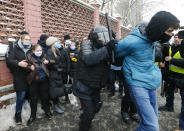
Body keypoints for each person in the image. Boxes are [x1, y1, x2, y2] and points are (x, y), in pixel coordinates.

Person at [114, 11, 180, 131]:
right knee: (152, 126)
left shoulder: (154, 39)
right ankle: (125, 112)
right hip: (136, 83)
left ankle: (134, 115)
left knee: (151, 121)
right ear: (159, 28)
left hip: (150, 81)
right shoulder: (132, 41)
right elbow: (116, 54)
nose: (170, 35)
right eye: (169, 31)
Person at [73, 26, 114, 131]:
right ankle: (83, 126)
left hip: (95, 85)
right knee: (89, 111)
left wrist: (115, 43)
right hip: (84, 86)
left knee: (97, 106)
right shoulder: (87, 44)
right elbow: (89, 59)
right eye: (101, 36)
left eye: (106, 36)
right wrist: (107, 49)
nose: (103, 39)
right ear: (94, 36)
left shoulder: (104, 47)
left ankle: (85, 119)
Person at [7, 34, 32, 124]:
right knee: (21, 96)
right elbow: (9, 60)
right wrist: (18, 63)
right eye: (26, 39)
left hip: (30, 76)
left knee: (30, 95)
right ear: (21, 40)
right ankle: (18, 115)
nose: (28, 41)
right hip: (19, 77)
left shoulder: (31, 49)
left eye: (29, 39)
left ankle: (31, 112)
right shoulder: (15, 49)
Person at [26, 44, 52, 125]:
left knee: (45, 97)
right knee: (33, 99)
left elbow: (53, 62)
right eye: (37, 51)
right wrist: (29, 67)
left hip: (44, 80)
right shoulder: (29, 57)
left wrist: (49, 62)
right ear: (33, 51)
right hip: (34, 81)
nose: (39, 52)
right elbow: (25, 66)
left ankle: (47, 111)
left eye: (40, 50)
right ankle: (32, 116)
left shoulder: (44, 56)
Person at [159, 33, 184, 112]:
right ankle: (169, 107)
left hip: (182, 77)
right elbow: (166, 59)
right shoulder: (170, 47)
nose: (176, 39)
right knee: (169, 93)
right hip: (170, 75)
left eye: (179, 38)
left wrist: (171, 60)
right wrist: (163, 64)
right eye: (175, 37)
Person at [46, 37, 69, 113]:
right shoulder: (49, 51)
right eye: (56, 42)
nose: (58, 43)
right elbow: (50, 64)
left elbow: (59, 61)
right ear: (52, 43)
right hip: (53, 74)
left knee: (57, 90)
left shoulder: (56, 50)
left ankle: (58, 104)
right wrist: (57, 68)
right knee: (54, 90)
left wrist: (60, 67)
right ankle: (55, 106)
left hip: (57, 73)